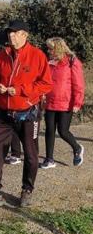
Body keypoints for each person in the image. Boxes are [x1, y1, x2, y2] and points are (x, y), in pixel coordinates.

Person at [0, 19, 52, 208]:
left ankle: (27, 190)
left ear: (25, 35)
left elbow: (46, 84)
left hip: (27, 113)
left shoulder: (37, 56)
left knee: (31, 154)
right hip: (4, 112)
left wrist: (20, 90)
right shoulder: (3, 54)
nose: (11, 36)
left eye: (15, 33)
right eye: (9, 32)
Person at [41, 37, 85, 169]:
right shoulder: (50, 63)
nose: (49, 51)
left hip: (66, 103)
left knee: (63, 131)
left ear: (58, 48)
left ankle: (77, 148)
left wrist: (78, 102)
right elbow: (45, 82)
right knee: (49, 130)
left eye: (51, 48)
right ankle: (49, 159)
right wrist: (42, 97)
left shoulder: (72, 62)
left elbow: (79, 84)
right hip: (50, 102)